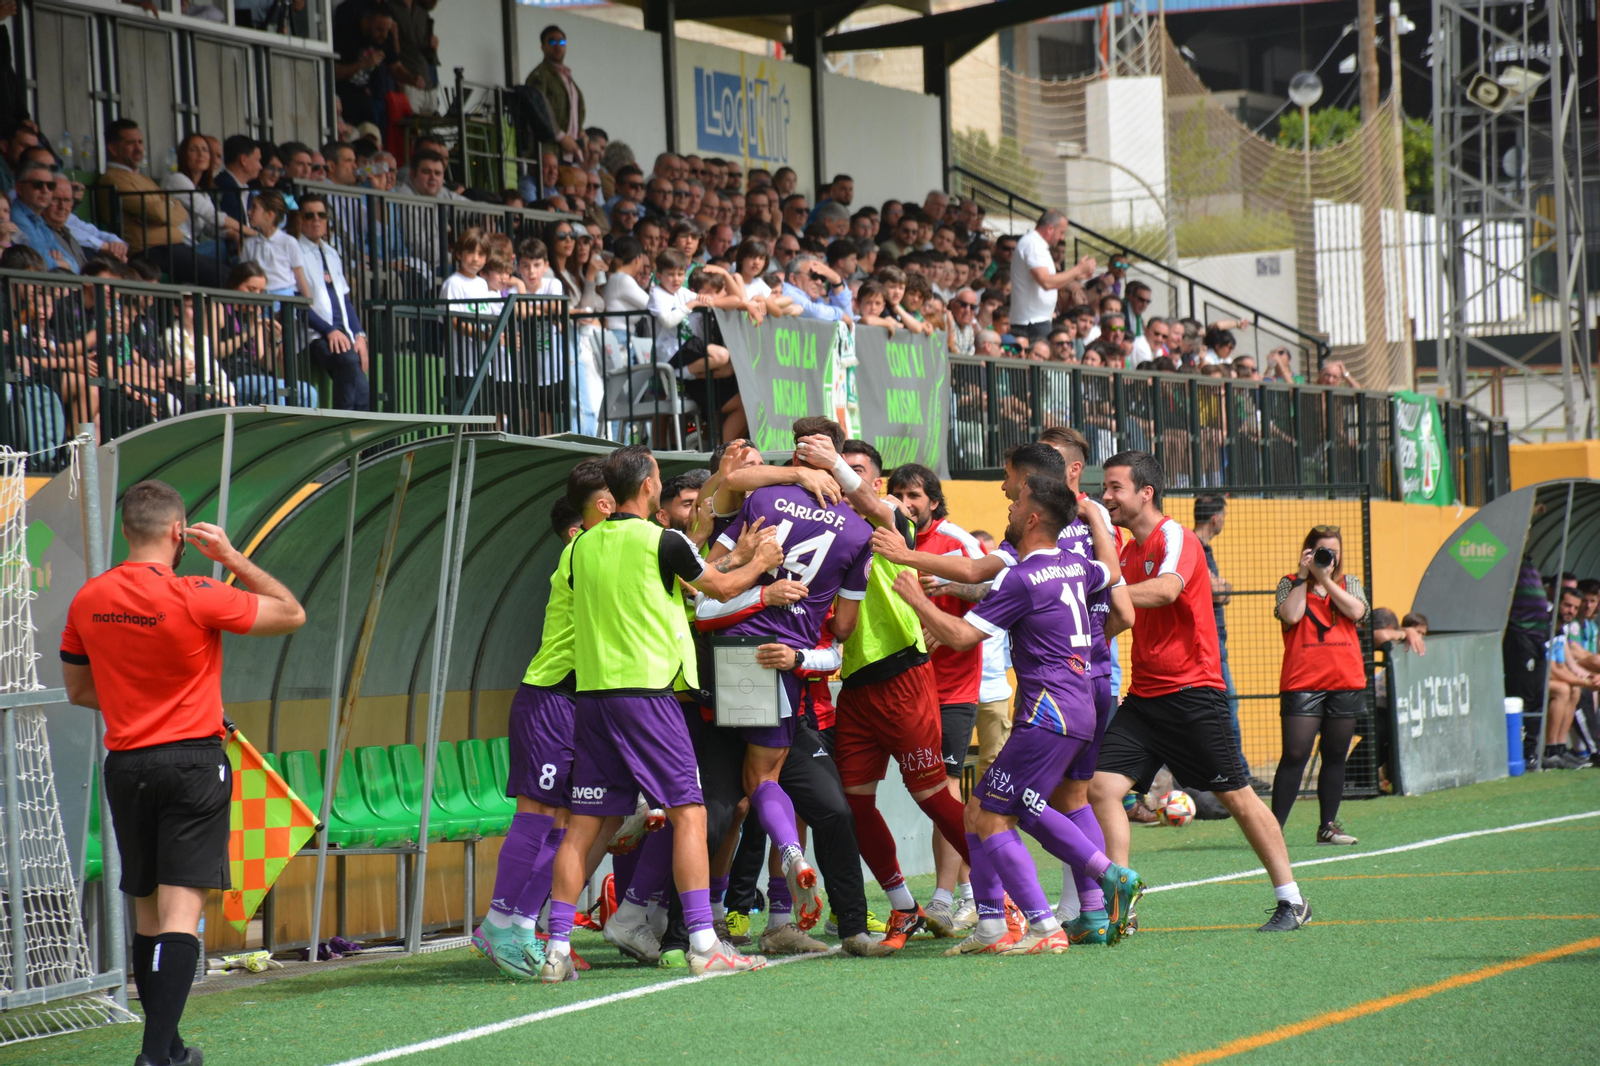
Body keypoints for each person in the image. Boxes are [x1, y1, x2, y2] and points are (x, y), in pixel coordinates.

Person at [60, 480, 305, 1066]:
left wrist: (134, 702)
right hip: (193, 763)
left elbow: (78, 690)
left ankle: (169, 1047)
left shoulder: (87, 599)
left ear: (125, 531)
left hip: (127, 766)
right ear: (179, 534)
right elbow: (292, 613)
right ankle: (153, 1057)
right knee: (180, 917)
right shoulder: (198, 591)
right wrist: (232, 558)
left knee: (149, 913)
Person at [538, 444, 782, 982]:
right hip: (648, 696)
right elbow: (715, 589)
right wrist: (760, 563)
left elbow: (656, 582)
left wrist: (733, 556)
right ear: (649, 486)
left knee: (582, 827)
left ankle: (554, 948)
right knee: (688, 814)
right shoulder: (662, 539)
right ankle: (702, 941)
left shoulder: (579, 548)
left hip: (594, 700)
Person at [895, 474, 1140, 956]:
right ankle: (993, 922)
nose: (1007, 504)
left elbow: (964, 637)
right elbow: (1111, 570)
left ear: (1032, 517)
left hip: (1047, 712)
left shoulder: (1021, 577)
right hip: (1079, 706)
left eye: (1015, 498)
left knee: (991, 818)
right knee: (984, 809)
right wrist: (1096, 521)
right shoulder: (1077, 565)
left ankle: (1047, 925)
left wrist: (918, 599)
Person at [1089, 450, 1311, 932]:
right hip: (1146, 698)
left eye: (1114, 488)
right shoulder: (1125, 552)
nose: (1105, 496)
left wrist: (1099, 594)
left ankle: (1291, 899)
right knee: (1103, 789)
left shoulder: (1175, 536)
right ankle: (1117, 907)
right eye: (1103, 488)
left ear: (1145, 493)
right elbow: (1123, 613)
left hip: (1193, 694)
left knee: (1237, 797)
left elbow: (1166, 590)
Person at [474, 461, 613, 979]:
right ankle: (497, 924)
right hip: (552, 696)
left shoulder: (610, 548)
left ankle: (521, 924)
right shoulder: (582, 551)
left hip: (587, 702)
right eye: (612, 502)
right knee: (538, 815)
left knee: (565, 824)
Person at [883, 463, 985, 935]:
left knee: (942, 789)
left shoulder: (957, 541)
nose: (907, 502)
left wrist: (947, 589)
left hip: (950, 691)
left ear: (934, 502)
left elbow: (992, 592)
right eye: (898, 493)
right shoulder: (883, 538)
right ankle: (968, 892)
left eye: (915, 495)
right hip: (896, 691)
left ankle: (946, 898)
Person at [1272, 526, 1371, 844]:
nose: (1330, 556)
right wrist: (1305, 576)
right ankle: (1272, 830)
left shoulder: (1349, 583)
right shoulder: (1290, 583)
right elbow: (1291, 616)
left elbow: (1357, 611)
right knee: (1295, 754)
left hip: (1345, 680)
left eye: (1334, 551)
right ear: (1309, 551)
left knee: (1335, 753)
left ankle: (1327, 825)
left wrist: (1326, 580)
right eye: (1323, 550)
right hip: (1302, 682)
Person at [97, 119, 223, 286]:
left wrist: (160, 212)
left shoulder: (144, 179)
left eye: (140, 142)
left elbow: (178, 211)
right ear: (113, 148)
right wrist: (160, 212)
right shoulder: (113, 179)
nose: (139, 148)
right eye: (131, 143)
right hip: (150, 251)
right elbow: (158, 213)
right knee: (222, 276)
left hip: (172, 247)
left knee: (227, 270)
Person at [296, 194, 370, 410]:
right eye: (309, 215)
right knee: (347, 361)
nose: (316, 220)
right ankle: (340, 428)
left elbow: (344, 300)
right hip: (316, 334)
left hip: (343, 333)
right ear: (300, 219)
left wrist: (359, 335)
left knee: (363, 392)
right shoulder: (295, 250)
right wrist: (329, 330)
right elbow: (297, 304)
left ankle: (361, 440)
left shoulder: (332, 252)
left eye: (322, 215)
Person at [1193, 495, 1246, 772]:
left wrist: (1221, 588)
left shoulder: (1204, 550)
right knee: (1227, 705)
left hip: (1215, 638)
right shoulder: (1197, 549)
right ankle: (1239, 772)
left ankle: (1236, 770)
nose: (1224, 520)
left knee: (1225, 705)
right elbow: (1217, 592)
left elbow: (1220, 591)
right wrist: (1221, 588)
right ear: (1215, 518)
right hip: (1209, 640)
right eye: (1223, 515)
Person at [1008, 210, 1095, 344]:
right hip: (1031, 323)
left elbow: (1052, 282)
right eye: (1061, 232)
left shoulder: (1037, 245)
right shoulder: (1033, 244)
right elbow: (1046, 282)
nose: (1062, 238)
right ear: (1050, 229)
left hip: (1037, 321)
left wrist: (1076, 274)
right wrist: (1077, 269)